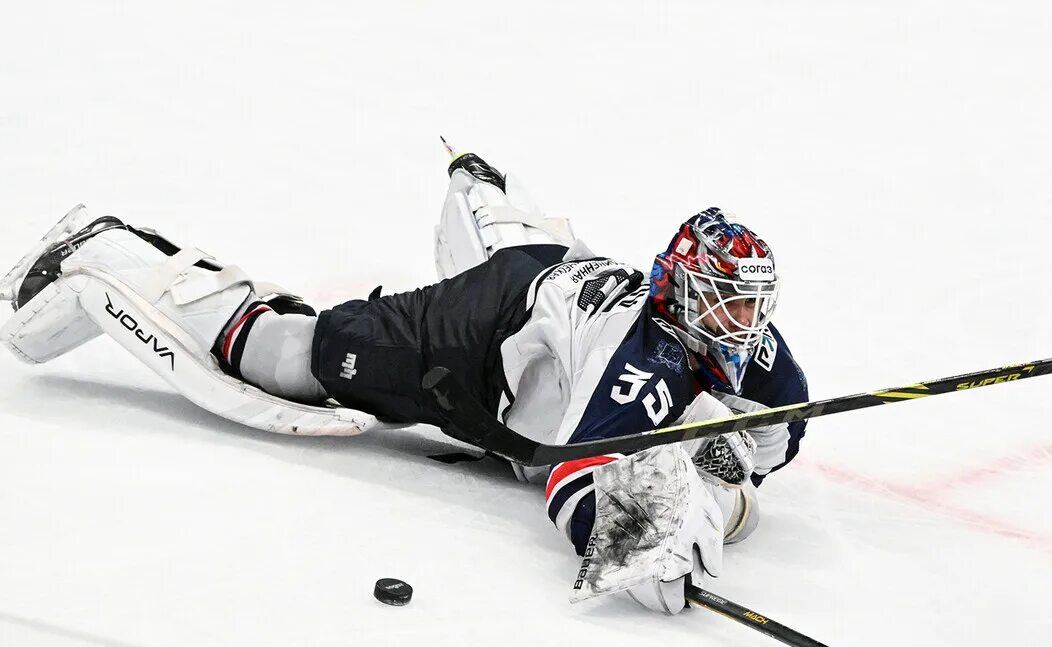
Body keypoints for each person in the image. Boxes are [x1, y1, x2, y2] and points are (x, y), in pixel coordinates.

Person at [0, 149, 810, 613]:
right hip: (467, 344)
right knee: (286, 358)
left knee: (526, 273)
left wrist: (757, 451)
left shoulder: (734, 337)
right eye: (728, 306)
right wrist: (650, 549)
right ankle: (107, 252)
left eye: (751, 309)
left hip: (550, 278)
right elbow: (571, 476)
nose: (743, 327)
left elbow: (787, 416)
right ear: (686, 290)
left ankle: (487, 199)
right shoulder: (633, 363)